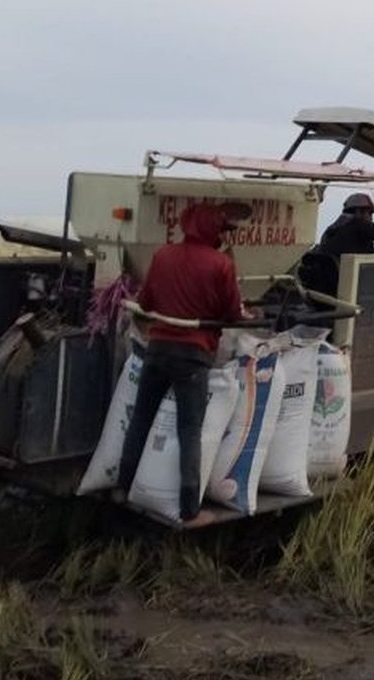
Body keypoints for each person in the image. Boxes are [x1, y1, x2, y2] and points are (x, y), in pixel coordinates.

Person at [117, 203, 247, 527]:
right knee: (190, 431)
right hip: (193, 354)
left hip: (158, 349)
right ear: (212, 229)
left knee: (141, 420)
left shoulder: (163, 255)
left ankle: (123, 486)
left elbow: (146, 303)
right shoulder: (220, 264)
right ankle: (190, 509)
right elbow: (231, 314)